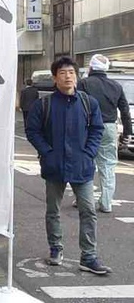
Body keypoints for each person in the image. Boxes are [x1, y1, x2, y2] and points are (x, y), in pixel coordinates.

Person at [25, 57, 111, 275]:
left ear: (77, 76)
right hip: (55, 165)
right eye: (62, 73)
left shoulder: (88, 102)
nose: (68, 76)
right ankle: (56, 248)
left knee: (89, 210)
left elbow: (97, 129)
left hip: (82, 165)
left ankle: (89, 256)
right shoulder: (44, 104)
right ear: (55, 78)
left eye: (71, 72)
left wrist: (89, 152)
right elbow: (32, 131)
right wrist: (47, 152)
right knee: (53, 210)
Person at [78, 54, 132, 213]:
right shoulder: (116, 86)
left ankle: (83, 199)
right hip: (109, 127)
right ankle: (106, 202)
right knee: (108, 164)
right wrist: (128, 131)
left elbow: (76, 105)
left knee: (86, 162)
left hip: (87, 126)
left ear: (91, 68)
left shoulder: (84, 83)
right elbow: (124, 110)